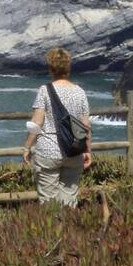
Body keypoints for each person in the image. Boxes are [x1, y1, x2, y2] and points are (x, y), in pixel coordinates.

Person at [24, 46, 91, 207]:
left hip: (48, 150)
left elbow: (37, 122)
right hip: (74, 150)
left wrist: (27, 147)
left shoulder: (44, 91)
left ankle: (53, 231)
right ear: (68, 67)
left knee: (49, 203)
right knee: (69, 200)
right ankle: (69, 229)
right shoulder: (79, 92)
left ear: (51, 68)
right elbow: (85, 125)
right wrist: (87, 150)